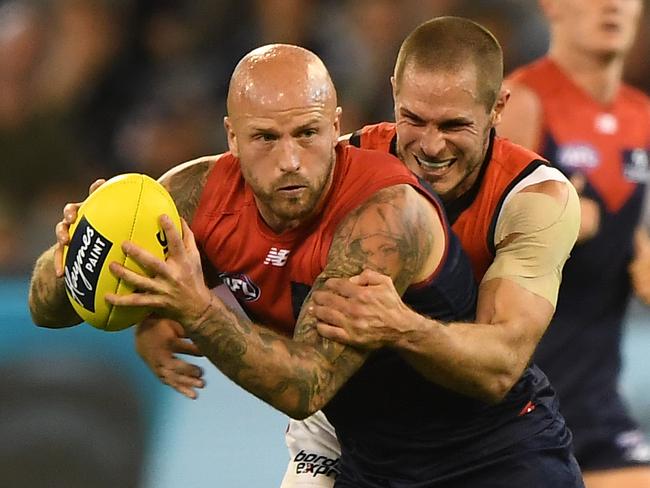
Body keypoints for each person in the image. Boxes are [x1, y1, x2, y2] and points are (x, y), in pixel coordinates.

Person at [27, 43, 583, 486]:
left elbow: (306, 384)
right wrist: (78, 248)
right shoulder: (195, 194)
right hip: (371, 462)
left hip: (493, 458)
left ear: (334, 129)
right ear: (232, 138)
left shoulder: (385, 218)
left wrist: (194, 308)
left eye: (308, 134)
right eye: (266, 138)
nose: (290, 160)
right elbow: (45, 308)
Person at [277, 16, 585, 487]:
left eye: (454, 125)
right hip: (369, 445)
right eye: (414, 119)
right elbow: (229, 186)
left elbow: (501, 365)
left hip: (494, 450)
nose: (431, 145)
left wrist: (400, 326)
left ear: (498, 106)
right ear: (393, 91)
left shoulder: (535, 199)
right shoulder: (341, 167)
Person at [498, 1, 650, 487]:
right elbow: (470, 244)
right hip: (517, 406)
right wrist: (556, 220)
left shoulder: (642, 118)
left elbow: (638, 241)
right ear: (551, 5)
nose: (612, 6)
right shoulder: (521, 102)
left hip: (598, 407)